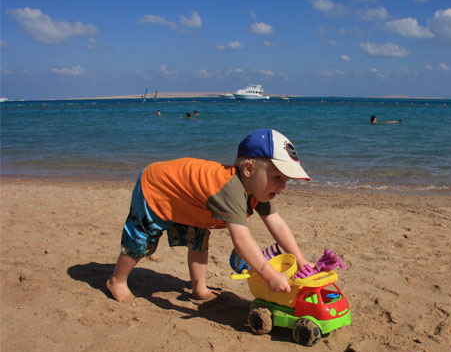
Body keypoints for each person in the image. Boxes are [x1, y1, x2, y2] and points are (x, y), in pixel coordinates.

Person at [105, 129, 313, 303]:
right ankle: (117, 280)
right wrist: (270, 275)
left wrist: (301, 260)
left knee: (199, 239)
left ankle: (199, 288)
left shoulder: (258, 191)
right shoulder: (230, 189)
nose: (283, 186)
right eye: (277, 177)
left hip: (193, 202)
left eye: (286, 179)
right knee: (141, 240)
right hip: (156, 187)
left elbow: (278, 225)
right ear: (248, 169)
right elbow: (241, 240)